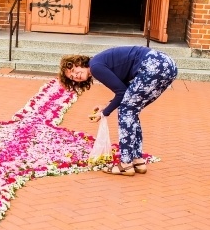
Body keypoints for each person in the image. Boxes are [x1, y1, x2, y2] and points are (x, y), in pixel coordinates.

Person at [59, 46, 178, 175]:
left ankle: (126, 164)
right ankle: (137, 161)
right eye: (71, 77)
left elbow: (121, 93)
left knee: (126, 110)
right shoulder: (98, 63)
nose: (75, 76)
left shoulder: (95, 67)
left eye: (73, 70)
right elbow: (126, 90)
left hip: (153, 65)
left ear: (79, 63)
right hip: (167, 65)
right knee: (131, 109)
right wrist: (107, 106)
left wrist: (104, 113)